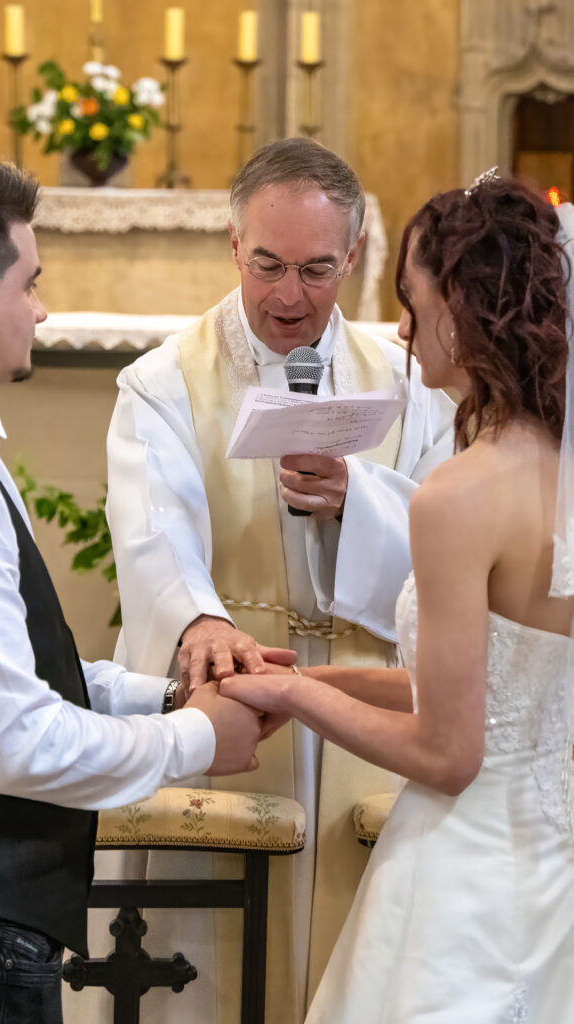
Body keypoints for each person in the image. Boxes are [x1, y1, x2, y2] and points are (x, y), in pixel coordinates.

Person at [0, 148, 277, 1024]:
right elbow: (13, 741)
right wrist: (193, 739)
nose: (44, 307)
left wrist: (167, 694)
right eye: (29, 283)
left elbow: (11, 670)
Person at [105, 137, 457, 1023]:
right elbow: (154, 532)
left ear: (355, 254)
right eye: (266, 264)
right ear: (232, 245)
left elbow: (455, 547)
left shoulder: (414, 386)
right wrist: (198, 625)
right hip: (236, 693)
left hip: (365, 706)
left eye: (315, 268)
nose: (289, 297)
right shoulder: (164, 383)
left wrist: (358, 501)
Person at [222, 178, 574, 1022]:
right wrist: (305, 683)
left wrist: (298, 693)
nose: (405, 332)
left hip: (465, 879)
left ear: (464, 306)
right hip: (553, 866)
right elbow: (495, 693)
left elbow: (450, 754)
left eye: (412, 304)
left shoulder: (459, 496)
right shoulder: (556, 472)